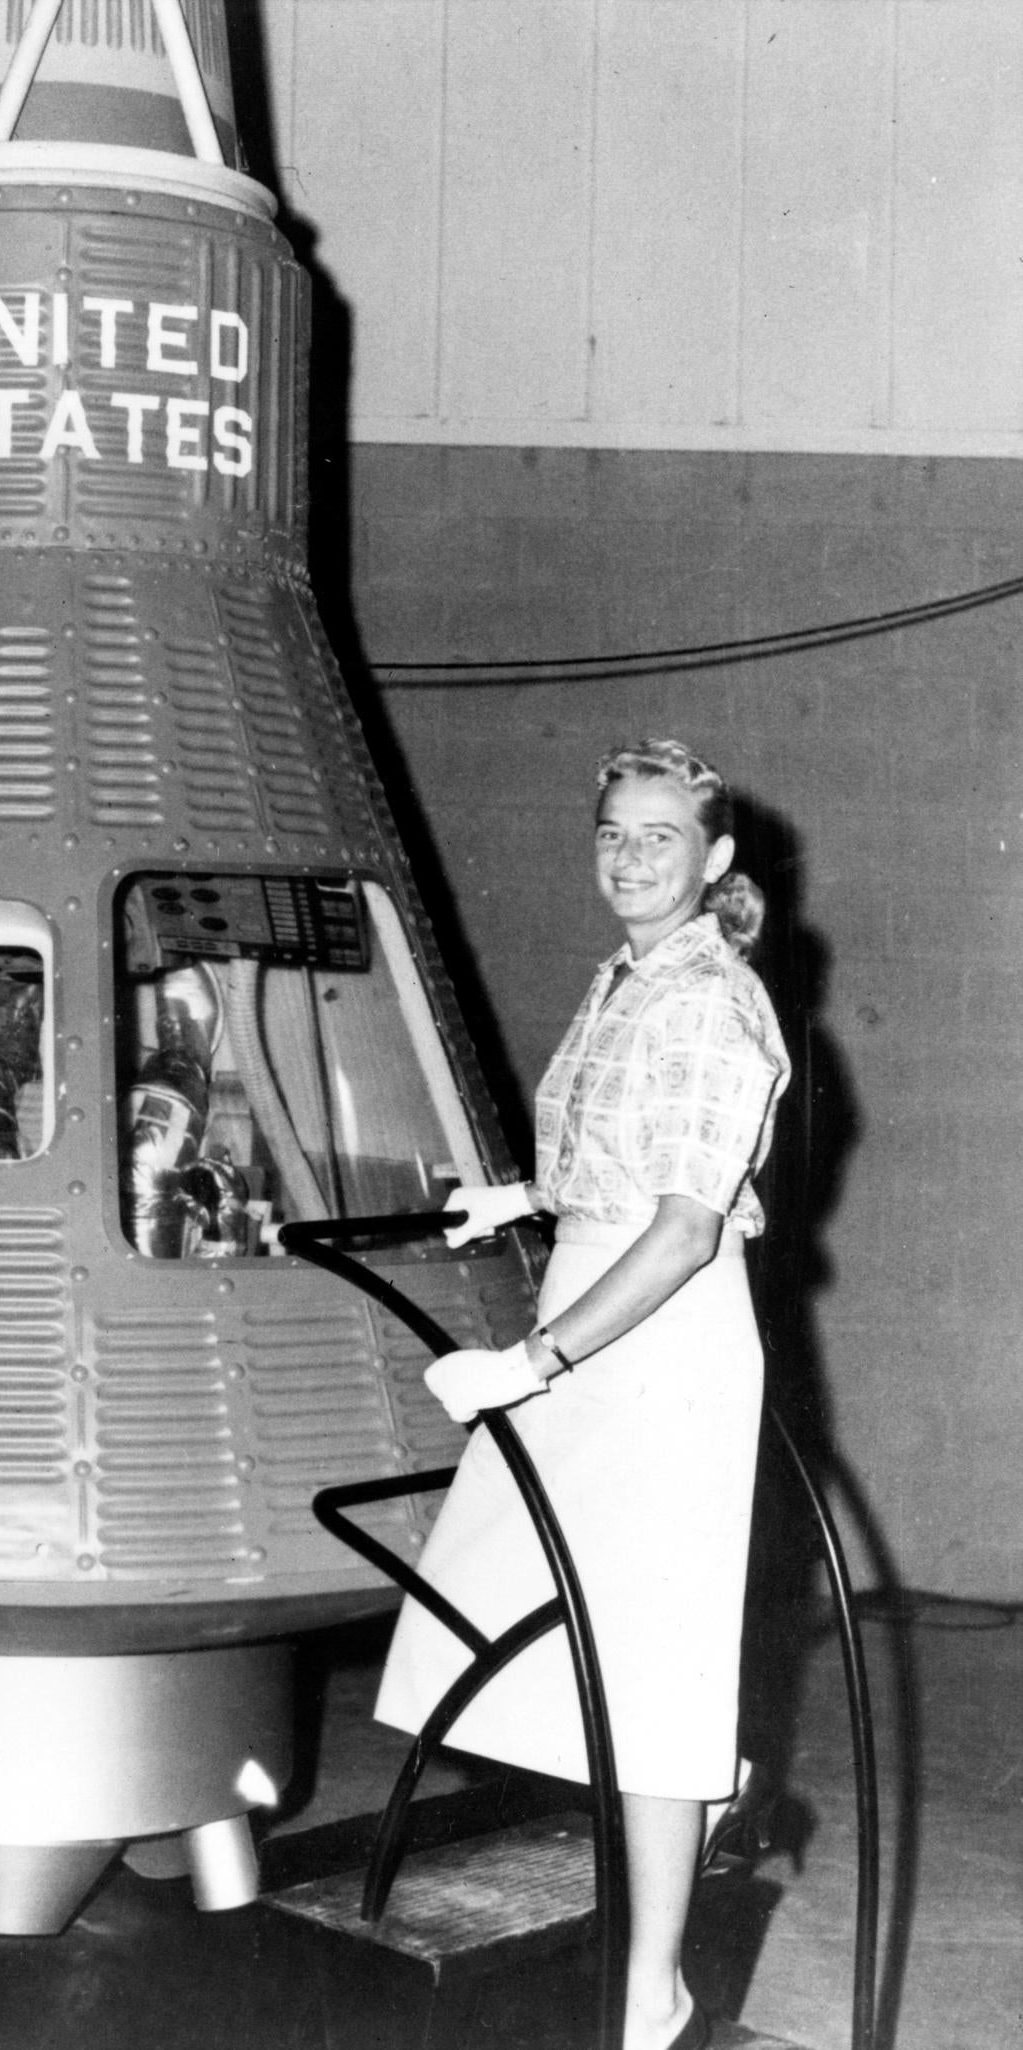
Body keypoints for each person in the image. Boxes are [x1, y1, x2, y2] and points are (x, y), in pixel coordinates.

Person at [375, 739, 790, 2050]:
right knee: (528, 1620)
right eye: (615, 831)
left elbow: (680, 1228)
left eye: (661, 836)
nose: (631, 856)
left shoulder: (716, 999)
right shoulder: (624, 978)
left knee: (647, 1679)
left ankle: (652, 1993)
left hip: (659, 1344)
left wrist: (537, 1360)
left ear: (714, 858)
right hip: (591, 1299)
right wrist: (527, 1193)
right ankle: (718, 1784)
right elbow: (620, 1157)